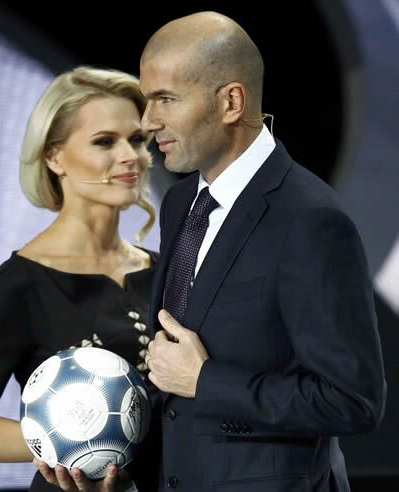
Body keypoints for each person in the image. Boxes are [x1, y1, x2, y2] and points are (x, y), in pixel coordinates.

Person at [139, 11, 386, 491]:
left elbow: (353, 401)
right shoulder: (178, 204)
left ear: (231, 101)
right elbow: (171, 387)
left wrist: (206, 381)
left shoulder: (311, 220)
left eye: (164, 99)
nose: (148, 122)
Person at [0, 66, 162, 491]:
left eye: (136, 139)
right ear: (53, 157)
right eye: (104, 142)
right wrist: (78, 439)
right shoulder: (20, 284)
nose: (130, 155)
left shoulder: (166, 269)